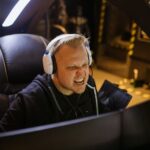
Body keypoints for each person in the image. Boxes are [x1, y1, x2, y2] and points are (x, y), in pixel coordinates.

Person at [0, 34, 129, 132]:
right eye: (72, 67)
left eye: (84, 64)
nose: (82, 73)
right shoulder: (29, 100)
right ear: (51, 68)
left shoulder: (89, 84)